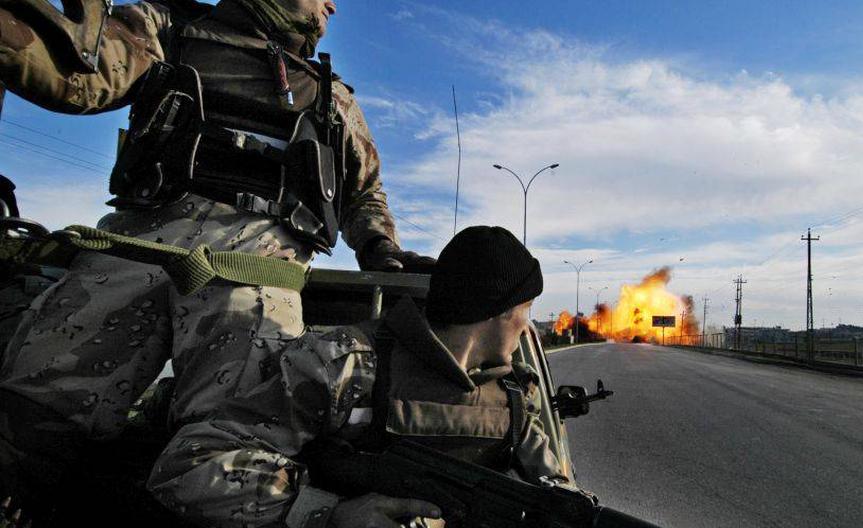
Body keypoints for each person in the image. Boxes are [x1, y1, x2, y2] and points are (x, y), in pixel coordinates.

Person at [0, 0, 434, 507]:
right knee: (27, 419)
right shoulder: (170, 33)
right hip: (133, 251)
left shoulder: (332, 98)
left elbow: (364, 192)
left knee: (231, 457)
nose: (332, 6)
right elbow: (86, 74)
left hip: (255, 273)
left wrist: (382, 249)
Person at [148, 226, 567, 528]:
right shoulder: (346, 364)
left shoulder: (513, 391)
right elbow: (188, 465)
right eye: (527, 307)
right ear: (499, 311)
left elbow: (556, 492)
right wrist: (328, 512)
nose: (528, 326)